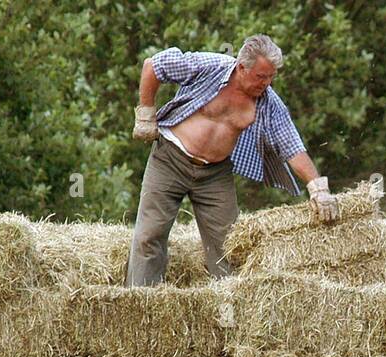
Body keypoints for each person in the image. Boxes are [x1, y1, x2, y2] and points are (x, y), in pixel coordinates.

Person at [128, 35, 340, 285]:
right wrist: (145, 114)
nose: (267, 83)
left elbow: (292, 146)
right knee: (149, 235)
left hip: (214, 175)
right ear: (242, 67)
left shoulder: (270, 104)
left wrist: (318, 188)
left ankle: (227, 313)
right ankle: (142, 299)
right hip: (169, 160)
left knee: (229, 245)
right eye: (261, 76)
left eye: (271, 76)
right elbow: (153, 66)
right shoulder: (208, 67)